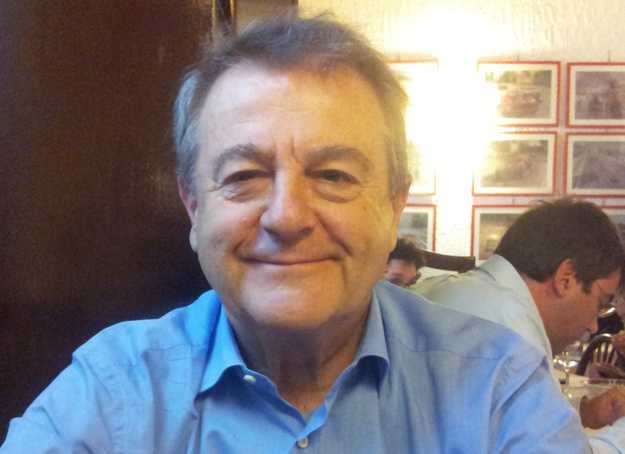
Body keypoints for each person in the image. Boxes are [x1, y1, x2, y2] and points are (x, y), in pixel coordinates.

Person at [2, 13, 590, 453]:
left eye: (333, 176)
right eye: (244, 176)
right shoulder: (115, 389)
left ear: (393, 206)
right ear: (194, 207)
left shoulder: (497, 388)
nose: (287, 217)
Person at [415, 198, 625, 451]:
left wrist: (581, 413)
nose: (593, 326)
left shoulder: (443, 291)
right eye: (600, 302)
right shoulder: (509, 335)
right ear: (566, 278)